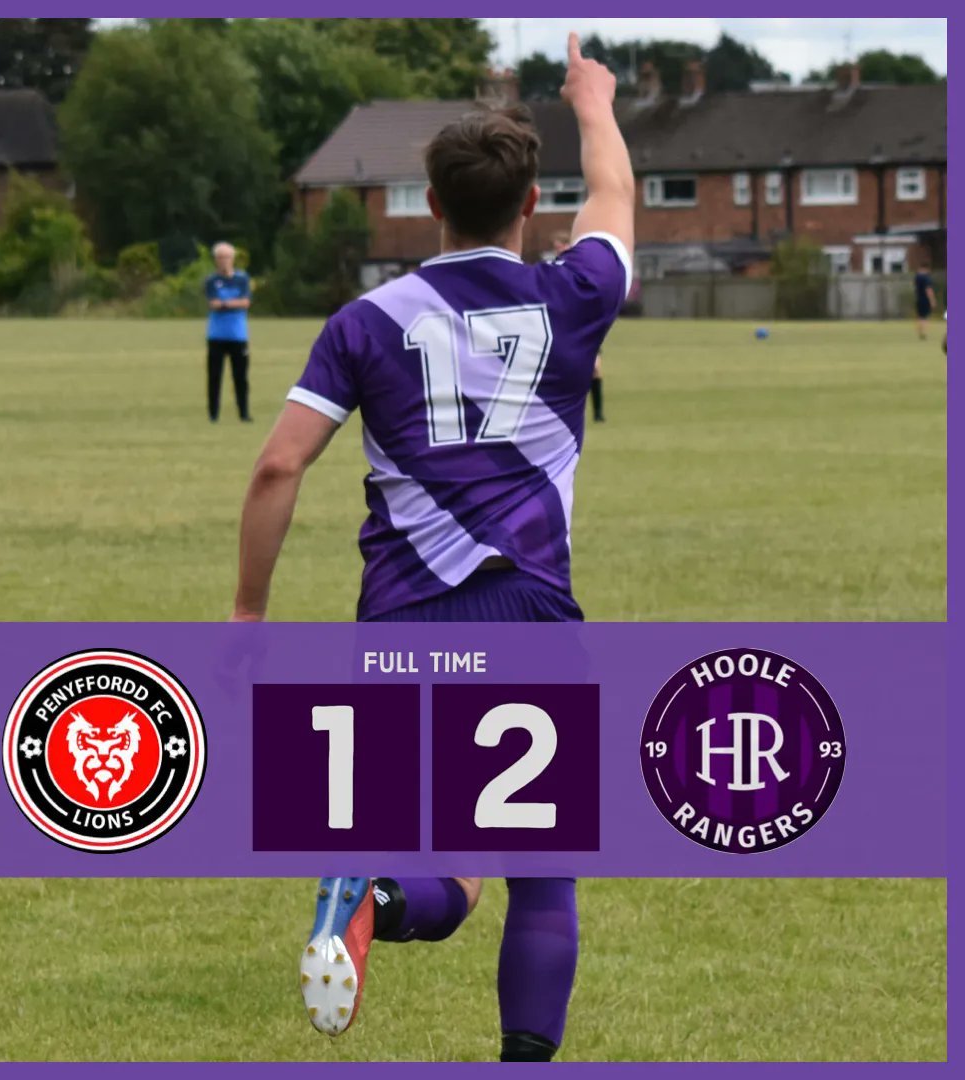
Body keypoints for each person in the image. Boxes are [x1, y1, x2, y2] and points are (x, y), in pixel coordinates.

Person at [232, 33, 634, 1063]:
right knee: (539, 873)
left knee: (447, 869)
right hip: (533, 618)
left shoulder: (367, 319)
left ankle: (368, 892)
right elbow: (618, 200)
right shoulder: (571, 295)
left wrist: (246, 617)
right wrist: (592, 101)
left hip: (401, 624)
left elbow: (278, 467)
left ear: (430, 202)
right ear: (528, 202)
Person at [553, 230, 605, 422]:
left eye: (562, 247)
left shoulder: (579, 270)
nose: (559, 251)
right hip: (563, 329)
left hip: (585, 327)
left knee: (595, 369)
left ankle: (599, 413)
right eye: (556, 248)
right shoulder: (552, 271)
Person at [204, 243, 252, 422]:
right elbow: (213, 304)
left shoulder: (242, 279)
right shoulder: (211, 281)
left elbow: (245, 303)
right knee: (214, 377)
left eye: (227, 257)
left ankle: (244, 413)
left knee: (241, 377)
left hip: (238, 336)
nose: (224, 261)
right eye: (220, 258)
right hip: (216, 335)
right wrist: (233, 303)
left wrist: (224, 304)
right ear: (216, 260)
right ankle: (213, 414)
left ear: (232, 259)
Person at [914, 261, 937, 340]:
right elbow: (928, 290)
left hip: (918, 298)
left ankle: (920, 332)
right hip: (925, 299)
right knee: (924, 317)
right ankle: (924, 333)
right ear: (927, 268)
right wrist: (932, 300)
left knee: (920, 316)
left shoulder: (917, 277)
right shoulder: (926, 278)